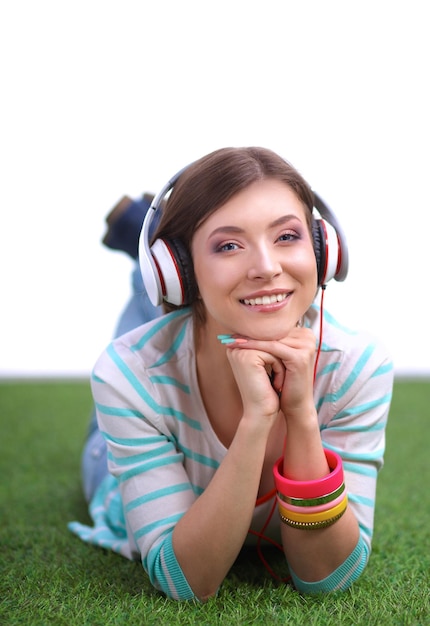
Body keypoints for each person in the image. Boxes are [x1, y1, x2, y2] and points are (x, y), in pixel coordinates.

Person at [69, 147, 393, 601]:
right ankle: (139, 265)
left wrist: (300, 413)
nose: (266, 267)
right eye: (228, 245)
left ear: (324, 250)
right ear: (176, 270)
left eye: (287, 237)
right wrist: (257, 419)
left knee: (202, 314)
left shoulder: (358, 366)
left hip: (200, 319)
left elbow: (329, 578)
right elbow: (186, 582)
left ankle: (143, 238)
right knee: (151, 329)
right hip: (114, 455)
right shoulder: (129, 375)